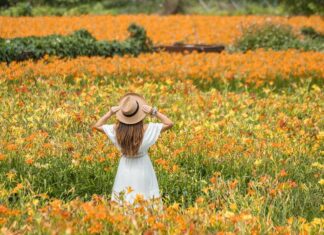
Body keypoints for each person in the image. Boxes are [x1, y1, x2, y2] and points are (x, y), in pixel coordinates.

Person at [92, 92, 173, 206]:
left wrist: (110, 113)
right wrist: (153, 112)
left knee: (124, 197)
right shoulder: (147, 129)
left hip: (124, 168)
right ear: (139, 113)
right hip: (143, 167)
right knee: (146, 197)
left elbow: (97, 126)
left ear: (123, 115)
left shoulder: (117, 130)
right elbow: (169, 123)